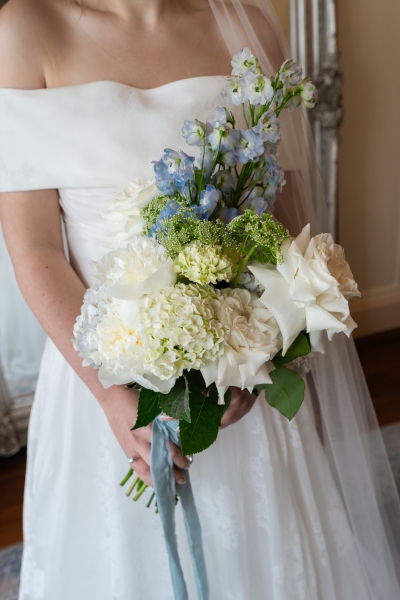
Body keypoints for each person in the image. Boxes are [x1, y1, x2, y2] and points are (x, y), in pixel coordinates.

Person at [0, 0, 399, 598]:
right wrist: (113, 399)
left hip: (240, 375)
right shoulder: (27, 30)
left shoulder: (248, 27)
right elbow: (35, 250)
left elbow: (287, 236)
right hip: (101, 376)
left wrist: (260, 361)